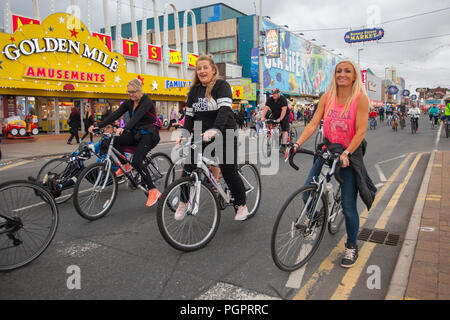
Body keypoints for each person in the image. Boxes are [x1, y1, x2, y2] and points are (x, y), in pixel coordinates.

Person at [292, 60, 376, 268]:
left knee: (348, 208)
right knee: (306, 193)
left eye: (347, 71)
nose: (342, 74)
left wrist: (347, 152)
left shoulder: (360, 98)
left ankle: (351, 246)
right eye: (339, 71)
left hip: (349, 153)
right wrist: (297, 143)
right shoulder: (327, 97)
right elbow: (313, 123)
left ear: (354, 75)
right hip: (328, 148)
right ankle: (318, 213)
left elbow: (361, 131)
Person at [175, 54, 249, 221]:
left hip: (225, 132)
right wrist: (185, 134)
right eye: (199, 68)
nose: (202, 71)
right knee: (189, 166)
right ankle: (183, 201)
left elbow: (225, 111)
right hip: (202, 134)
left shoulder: (222, 85)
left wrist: (215, 129)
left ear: (213, 70)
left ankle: (242, 205)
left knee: (228, 170)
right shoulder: (194, 91)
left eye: (205, 68)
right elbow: (189, 116)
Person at [89, 78, 162, 207]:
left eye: (133, 92)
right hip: (136, 133)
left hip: (149, 135)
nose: (131, 94)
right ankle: (125, 166)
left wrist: (124, 128)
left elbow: (137, 117)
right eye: (129, 92)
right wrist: (98, 126)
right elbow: (115, 114)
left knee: (137, 161)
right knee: (112, 139)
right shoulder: (129, 103)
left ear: (140, 90)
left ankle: (153, 190)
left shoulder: (147, 101)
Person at [261, 88, 290, 153]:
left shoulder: (283, 99)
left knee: (284, 130)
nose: (274, 95)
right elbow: (265, 108)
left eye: (276, 93)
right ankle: (271, 133)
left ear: (279, 93)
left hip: (285, 115)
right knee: (269, 121)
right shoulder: (270, 100)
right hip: (275, 114)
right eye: (273, 94)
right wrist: (262, 117)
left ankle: (283, 145)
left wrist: (280, 119)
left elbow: (284, 110)